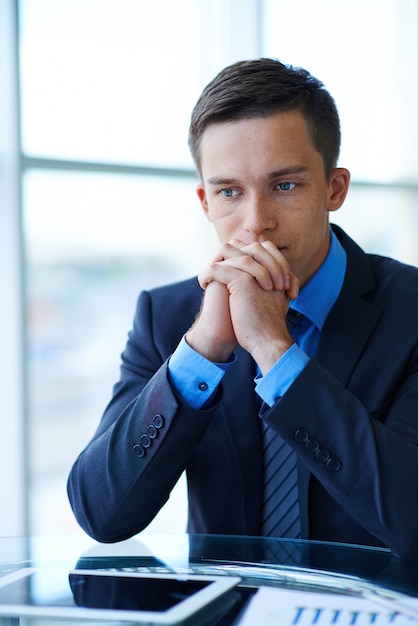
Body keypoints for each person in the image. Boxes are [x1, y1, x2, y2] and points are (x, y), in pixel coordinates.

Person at [67, 58, 418, 559]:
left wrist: (275, 351)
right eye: (229, 192)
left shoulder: (409, 309)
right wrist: (203, 350)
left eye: (285, 185)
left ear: (334, 189)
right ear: (205, 201)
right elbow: (101, 515)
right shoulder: (167, 318)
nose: (255, 223)